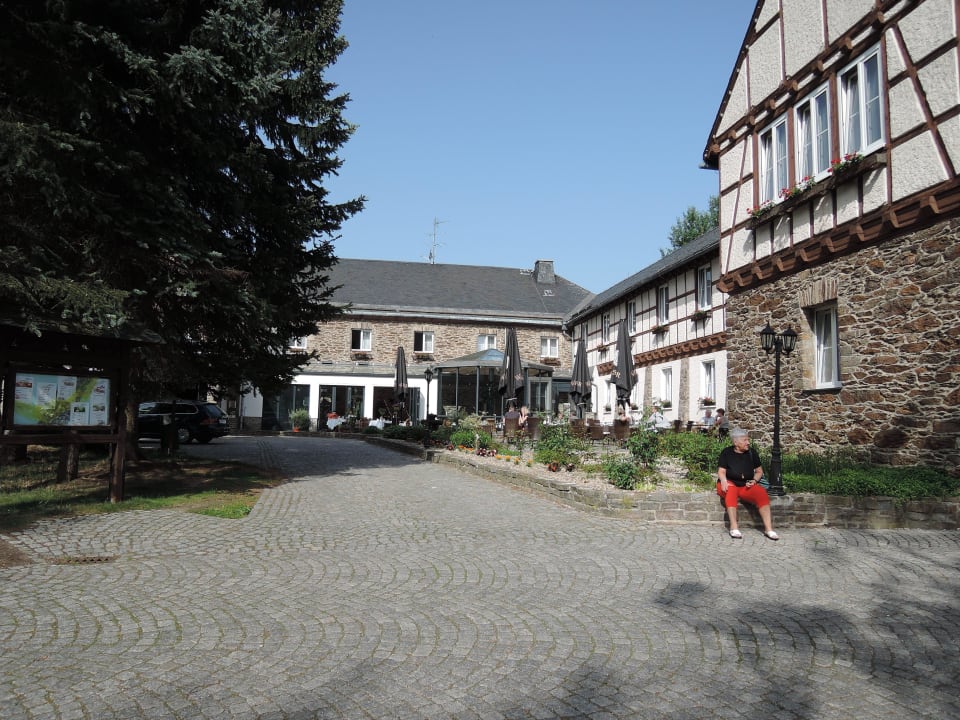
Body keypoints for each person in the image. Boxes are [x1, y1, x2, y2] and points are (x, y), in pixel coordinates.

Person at [717, 428, 779, 540]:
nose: (748, 443)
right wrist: (724, 480)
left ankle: (768, 529)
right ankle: (734, 527)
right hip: (729, 483)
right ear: (736, 442)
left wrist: (754, 480)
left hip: (746, 485)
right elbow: (721, 472)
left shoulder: (752, 452)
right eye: (745, 440)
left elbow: (759, 471)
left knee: (761, 493)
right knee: (731, 491)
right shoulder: (727, 452)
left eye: (748, 440)